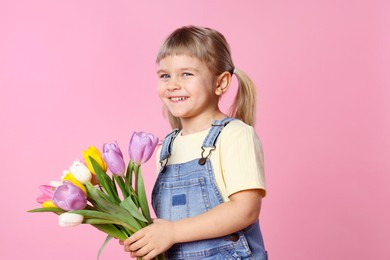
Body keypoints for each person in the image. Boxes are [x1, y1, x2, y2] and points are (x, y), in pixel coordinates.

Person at [122, 25, 268, 259]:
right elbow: (177, 222)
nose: (172, 84)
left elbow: (245, 210)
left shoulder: (235, 134)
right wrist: (147, 233)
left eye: (186, 74)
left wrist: (172, 231)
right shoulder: (167, 148)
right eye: (165, 75)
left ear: (220, 83)